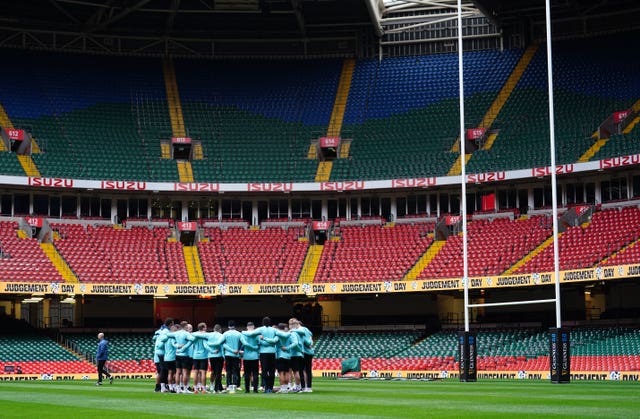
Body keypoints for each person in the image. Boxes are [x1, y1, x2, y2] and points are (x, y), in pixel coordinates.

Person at [243, 316, 278, 393]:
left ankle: (265, 387)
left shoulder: (260, 330)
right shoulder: (274, 330)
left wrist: (242, 332)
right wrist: (270, 342)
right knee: (272, 371)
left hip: (263, 353)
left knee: (264, 371)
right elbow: (275, 341)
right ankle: (270, 388)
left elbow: (257, 340)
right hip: (272, 352)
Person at [294, 320, 315, 393]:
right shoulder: (307, 330)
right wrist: (310, 343)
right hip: (309, 352)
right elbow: (310, 338)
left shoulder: (300, 331)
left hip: (303, 352)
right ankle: (308, 387)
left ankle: (304, 387)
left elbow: (307, 342)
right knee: (308, 370)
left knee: (301, 370)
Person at [153, 317, 173, 392]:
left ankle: (159, 387)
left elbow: (154, 338)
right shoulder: (165, 332)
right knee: (162, 371)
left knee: (161, 371)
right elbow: (160, 344)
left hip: (157, 354)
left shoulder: (159, 331)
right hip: (162, 354)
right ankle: (161, 387)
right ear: (171, 324)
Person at [203, 324, 225, 393]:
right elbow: (222, 347)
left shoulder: (209, 335)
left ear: (213, 329)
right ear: (220, 330)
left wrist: (211, 351)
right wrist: (224, 356)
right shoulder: (221, 336)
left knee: (214, 372)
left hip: (211, 356)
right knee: (218, 372)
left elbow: (206, 345)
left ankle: (220, 387)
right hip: (219, 355)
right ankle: (216, 388)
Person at [222, 320, 242, 393]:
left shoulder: (225, 334)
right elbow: (242, 343)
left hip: (228, 354)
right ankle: (236, 385)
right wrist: (238, 350)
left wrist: (230, 350)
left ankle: (228, 384)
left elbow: (223, 344)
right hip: (236, 354)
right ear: (235, 326)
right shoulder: (239, 334)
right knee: (236, 370)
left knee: (229, 371)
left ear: (228, 326)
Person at [190, 322, 210, 394]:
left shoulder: (194, 334)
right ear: (203, 328)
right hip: (203, 355)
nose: (206, 328)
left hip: (195, 355)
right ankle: (203, 389)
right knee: (203, 372)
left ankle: (195, 388)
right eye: (205, 327)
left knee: (196, 372)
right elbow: (206, 345)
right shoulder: (205, 335)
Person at [240, 322, 260, 394]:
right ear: (253, 327)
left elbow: (244, 344)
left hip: (246, 357)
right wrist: (255, 348)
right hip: (255, 356)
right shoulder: (256, 335)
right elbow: (259, 344)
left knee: (247, 374)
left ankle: (247, 389)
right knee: (255, 374)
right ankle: (255, 389)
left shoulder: (243, 334)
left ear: (247, 327)